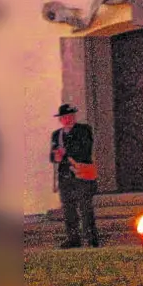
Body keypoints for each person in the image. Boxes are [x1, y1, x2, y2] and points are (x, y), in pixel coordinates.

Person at [49, 104, 98, 249]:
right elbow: (52, 156)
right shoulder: (56, 135)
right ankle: (73, 238)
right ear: (60, 119)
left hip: (82, 175)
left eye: (70, 116)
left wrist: (66, 152)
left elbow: (85, 150)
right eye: (64, 117)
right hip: (65, 176)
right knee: (68, 209)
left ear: (74, 117)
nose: (67, 119)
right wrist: (56, 156)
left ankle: (91, 239)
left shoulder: (84, 130)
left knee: (85, 207)